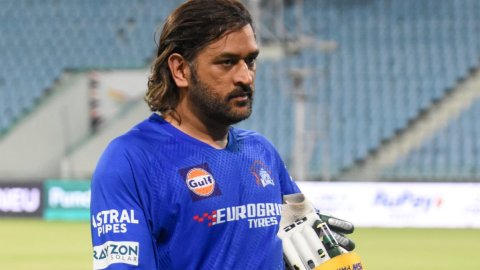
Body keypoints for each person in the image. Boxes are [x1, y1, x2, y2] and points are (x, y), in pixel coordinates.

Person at [90, 1, 353, 269]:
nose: (245, 77)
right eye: (227, 62)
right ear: (180, 69)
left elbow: (304, 238)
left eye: (250, 61)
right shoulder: (131, 161)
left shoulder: (262, 152)